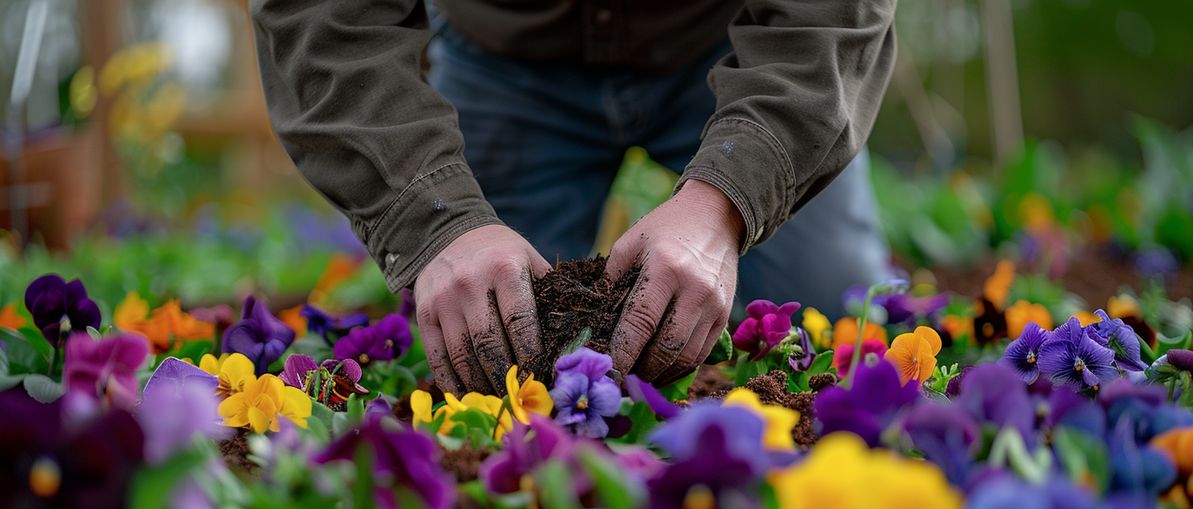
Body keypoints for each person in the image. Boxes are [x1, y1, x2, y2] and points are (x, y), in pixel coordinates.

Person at [251, 0, 897, 396]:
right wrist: (438, 222)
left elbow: (835, 10)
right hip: (506, 59)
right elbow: (320, 15)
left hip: (734, 47)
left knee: (831, 310)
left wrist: (726, 201)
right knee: (486, 347)